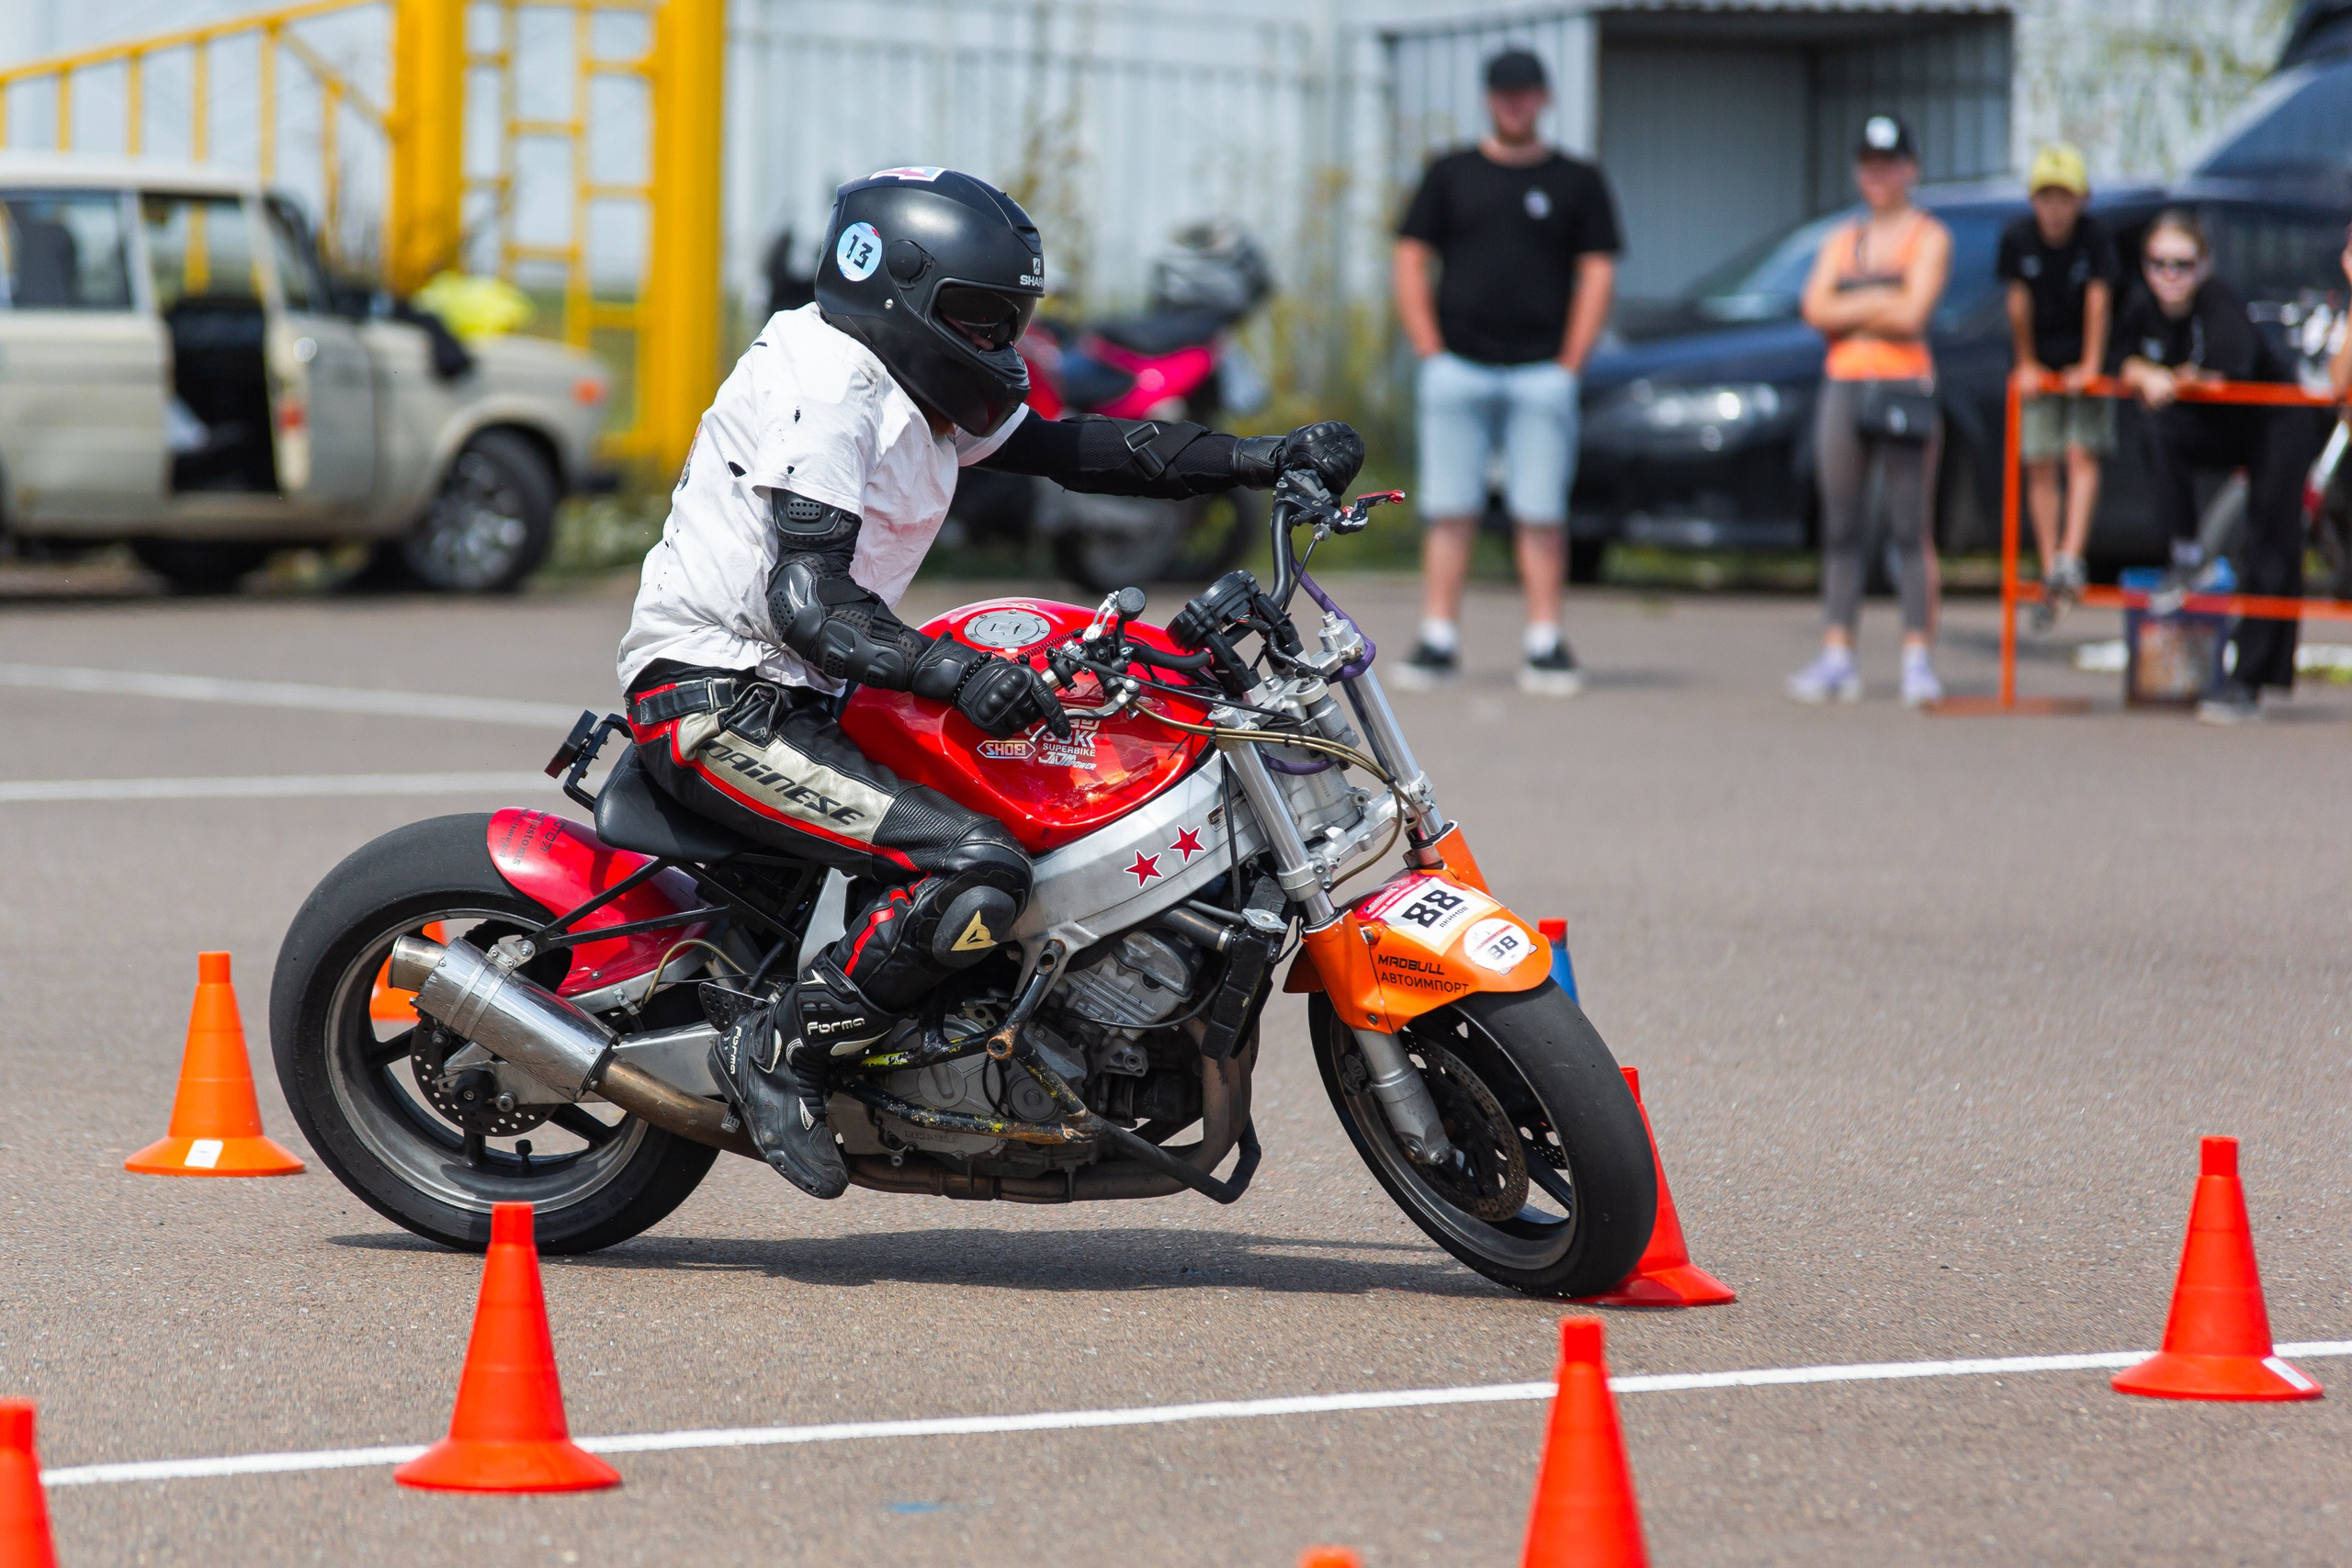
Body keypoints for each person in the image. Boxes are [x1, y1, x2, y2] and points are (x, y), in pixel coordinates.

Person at [617, 167, 1362, 1197]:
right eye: (977, 318)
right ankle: (779, 1051)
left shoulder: (912, 387)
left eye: (1009, 319)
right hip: (718, 700)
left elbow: (1079, 447)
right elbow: (808, 603)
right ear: (897, 295)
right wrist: (953, 670)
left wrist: (1258, 455)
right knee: (974, 868)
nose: (998, 343)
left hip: (817, 691)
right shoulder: (825, 385)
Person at [1392, 47, 1621, 696]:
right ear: (1490, 99)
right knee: (1449, 506)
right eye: (1504, 94)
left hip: (1541, 370)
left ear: (1543, 99)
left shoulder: (1577, 179)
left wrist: (1572, 360)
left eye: (1525, 94)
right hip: (1458, 364)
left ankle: (1544, 639)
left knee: (1541, 508)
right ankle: (1438, 634)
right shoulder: (1451, 173)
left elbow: (1598, 269)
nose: (1515, 104)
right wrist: (1429, 347)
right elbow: (1410, 257)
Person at [2113, 209, 2326, 724]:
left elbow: (2230, 369)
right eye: (2159, 263)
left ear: (2203, 265)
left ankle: (2250, 680)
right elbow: (2116, 356)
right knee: (2158, 429)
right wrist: (2142, 372)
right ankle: (2187, 553)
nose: (2170, 275)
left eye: (2182, 264)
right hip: (2226, 428)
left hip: (2276, 423)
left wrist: (2172, 378)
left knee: (2270, 540)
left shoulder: (2218, 300)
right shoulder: (2143, 306)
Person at [1786, 114, 1952, 707]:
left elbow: (1913, 314)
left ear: (1909, 168)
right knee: (1841, 523)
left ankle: (1916, 653)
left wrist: (1855, 300)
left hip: (1904, 384)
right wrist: (1883, 295)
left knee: (1909, 525)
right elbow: (1814, 307)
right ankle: (1837, 651)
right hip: (1845, 383)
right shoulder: (1843, 238)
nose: (1878, 175)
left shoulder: (1928, 236)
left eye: (1889, 164)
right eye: (1869, 165)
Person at [1997, 143, 2120, 629]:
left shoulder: (2095, 239)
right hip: (2041, 359)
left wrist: (2091, 364)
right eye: (2045, 197)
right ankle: (2052, 566)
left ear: (2082, 199)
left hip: (2083, 356)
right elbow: (2016, 304)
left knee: (2081, 453)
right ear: (2033, 201)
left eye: (2063, 197)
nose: (2054, 208)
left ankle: (2072, 553)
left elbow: (2098, 299)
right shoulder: (2018, 239)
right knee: (2040, 460)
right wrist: (2025, 363)